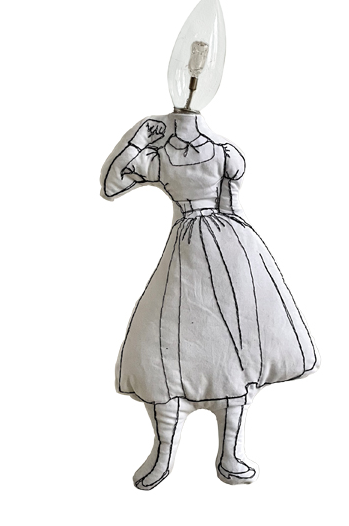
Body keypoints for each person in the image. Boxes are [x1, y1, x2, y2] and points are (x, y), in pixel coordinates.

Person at [102, 113, 319, 489]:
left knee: (233, 341)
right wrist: (138, 139)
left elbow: (232, 206)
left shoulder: (223, 152)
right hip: (184, 248)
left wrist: (248, 263)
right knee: (164, 339)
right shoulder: (162, 156)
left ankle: (230, 453)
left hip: (228, 247)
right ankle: (164, 453)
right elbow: (112, 184)